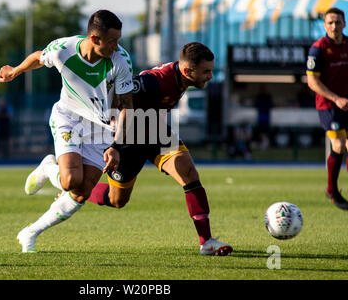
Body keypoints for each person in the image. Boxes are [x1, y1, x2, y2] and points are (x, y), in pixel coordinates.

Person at [28, 42, 233, 256]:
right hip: (128, 139)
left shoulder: (181, 77)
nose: (210, 76)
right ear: (187, 70)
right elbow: (119, 97)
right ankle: (64, 179)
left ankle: (206, 242)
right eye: (206, 71)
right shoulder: (154, 82)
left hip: (155, 132)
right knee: (117, 200)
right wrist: (114, 141)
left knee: (189, 173)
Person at [0, 10, 134, 252]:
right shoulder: (63, 49)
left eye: (118, 40)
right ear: (94, 39)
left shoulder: (121, 60)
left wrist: (116, 146)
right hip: (68, 118)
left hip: (101, 127)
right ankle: (48, 167)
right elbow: (39, 58)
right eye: (112, 41)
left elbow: (126, 106)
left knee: (82, 192)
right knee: (70, 180)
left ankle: (30, 232)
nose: (117, 46)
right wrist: (15, 71)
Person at [306, 7, 348, 210]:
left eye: (338, 22)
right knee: (339, 145)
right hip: (329, 105)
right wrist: (336, 98)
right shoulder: (318, 49)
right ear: (325, 25)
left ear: (344, 24)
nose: (334, 26)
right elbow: (312, 82)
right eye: (330, 22)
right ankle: (332, 190)